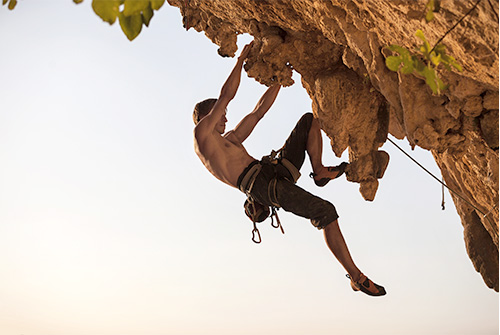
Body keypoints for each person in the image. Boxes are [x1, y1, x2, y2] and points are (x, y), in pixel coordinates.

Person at [193, 42, 386, 297]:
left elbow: (257, 112)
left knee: (310, 119)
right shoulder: (202, 137)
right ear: (207, 117)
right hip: (262, 186)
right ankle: (356, 276)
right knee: (325, 211)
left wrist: (282, 79)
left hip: (271, 171)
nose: (226, 117)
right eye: (221, 114)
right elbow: (226, 95)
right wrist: (239, 61)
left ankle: (319, 172)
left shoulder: (229, 140)